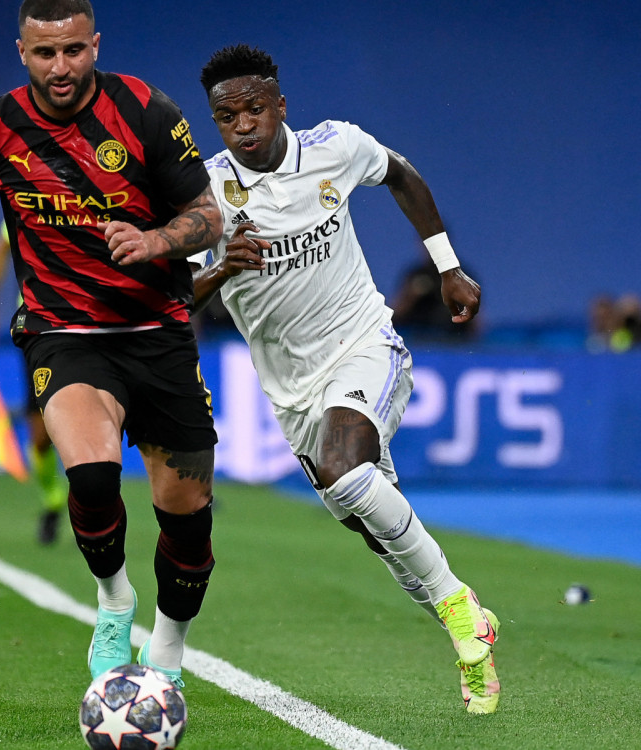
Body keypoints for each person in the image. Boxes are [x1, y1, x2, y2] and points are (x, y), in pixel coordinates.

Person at [0, 0, 223, 688]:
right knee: (91, 476)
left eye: (72, 51)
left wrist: (154, 241)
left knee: (187, 523)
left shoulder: (147, 110)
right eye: (43, 54)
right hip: (63, 334)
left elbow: (207, 215)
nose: (59, 68)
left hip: (158, 335)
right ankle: (115, 600)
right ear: (21, 51)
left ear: (95, 44)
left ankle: (169, 651)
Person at [191, 44, 501, 714]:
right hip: (291, 390)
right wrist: (219, 270)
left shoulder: (336, 146)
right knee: (373, 524)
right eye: (227, 116)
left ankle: (457, 607)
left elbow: (402, 175)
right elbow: (173, 296)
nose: (243, 124)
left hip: (364, 343)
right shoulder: (204, 194)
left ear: (279, 106)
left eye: (253, 108)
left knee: (344, 470)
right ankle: (470, 629)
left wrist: (445, 265)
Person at [0, 221, 67, 544]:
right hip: (38, 330)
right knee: (40, 436)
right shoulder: (31, 194)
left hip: (84, 325)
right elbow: (0, 246)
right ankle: (53, 499)